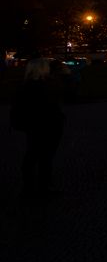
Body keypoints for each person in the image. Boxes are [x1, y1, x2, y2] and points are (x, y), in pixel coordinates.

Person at [10, 57, 66, 199]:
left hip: (35, 126)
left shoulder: (25, 86)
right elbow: (63, 96)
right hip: (49, 125)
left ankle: (31, 187)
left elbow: (18, 108)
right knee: (43, 157)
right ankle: (42, 186)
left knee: (33, 156)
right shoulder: (48, 85)